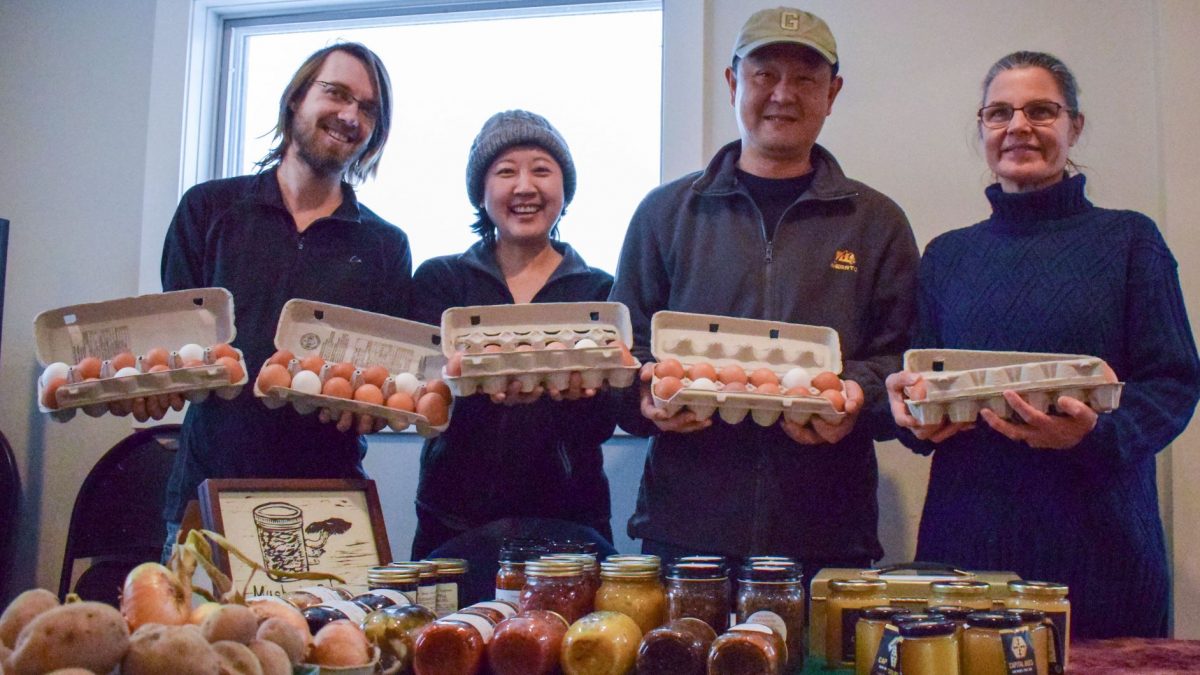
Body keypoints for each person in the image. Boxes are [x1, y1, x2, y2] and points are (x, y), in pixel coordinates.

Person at [886, 51, 1200, 638]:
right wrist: (910, 413)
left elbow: (1174, 383)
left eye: (1041, 110)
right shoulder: (948, 256)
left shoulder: (1130, 240)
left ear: (1074, 126)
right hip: (966, 547)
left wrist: (1096, 436)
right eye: (999, 112)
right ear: (982, 128)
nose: (1018, 127)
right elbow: (921, 379)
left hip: (1102, 551)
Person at [609, 7, 920, 579]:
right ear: (733, 83)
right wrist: (647, 400)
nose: (783, 94)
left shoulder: (876, 223)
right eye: (764, 74)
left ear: (833, 93)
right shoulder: (667, 215)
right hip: (688, 529)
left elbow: (904, 362)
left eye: (805, 79)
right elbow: (620, 355)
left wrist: (856, 401)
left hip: (828, 533)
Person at [157, 43, 412, 557]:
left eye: (367, 108)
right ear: (296, 99)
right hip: (209, 496)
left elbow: (386, 378)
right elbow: (175, 350)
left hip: (331, 506)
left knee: (330, 641)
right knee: (198, 639)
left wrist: (375, 408)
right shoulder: (209, 210)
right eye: (336, 93)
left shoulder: (385, 245)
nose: (349, 115)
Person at [408, 110, 617, 559]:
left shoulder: (598, 291)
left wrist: (572, 391)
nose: (525, 186)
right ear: (481, 193)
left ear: (564, 189)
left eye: (542, 170)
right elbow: (423, 401)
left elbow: (605, 419)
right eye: (505, 172)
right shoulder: (442, 281)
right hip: (453, 520)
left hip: (571, 524)